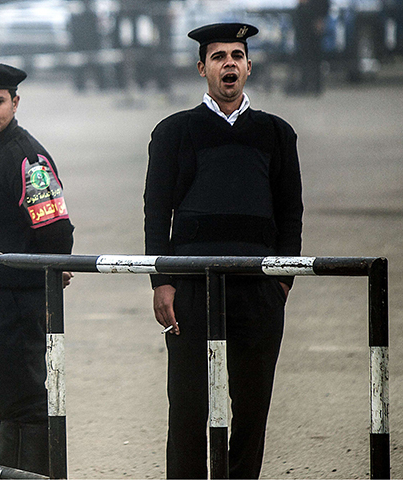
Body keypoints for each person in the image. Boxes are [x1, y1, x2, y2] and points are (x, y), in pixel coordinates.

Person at [143, 23, 304, 478]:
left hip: (258, 288)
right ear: (202, 68)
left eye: (237, 55)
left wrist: (282, 281)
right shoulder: (175, 132)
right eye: (218, 57)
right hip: (192, 287)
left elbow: (291, 212)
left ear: (249, 67)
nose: (228, 63)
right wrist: (163, 281)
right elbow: (156, 214)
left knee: (252, 407)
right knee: (189, 404)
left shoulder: (276, 134)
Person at [0, 63, 75, 476]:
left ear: (15, 102)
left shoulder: (26, 156)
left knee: (27, 404)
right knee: (7, 405)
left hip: (14, 300)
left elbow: (56, 229)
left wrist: (48, 275)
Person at [288, 0, 330, 95]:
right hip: (303, 23)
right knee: (304, 56)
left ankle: (315, 85)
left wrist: (321, 18)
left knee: (314, 56)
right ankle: (305, 84)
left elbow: (324, 4)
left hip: (313, 21)